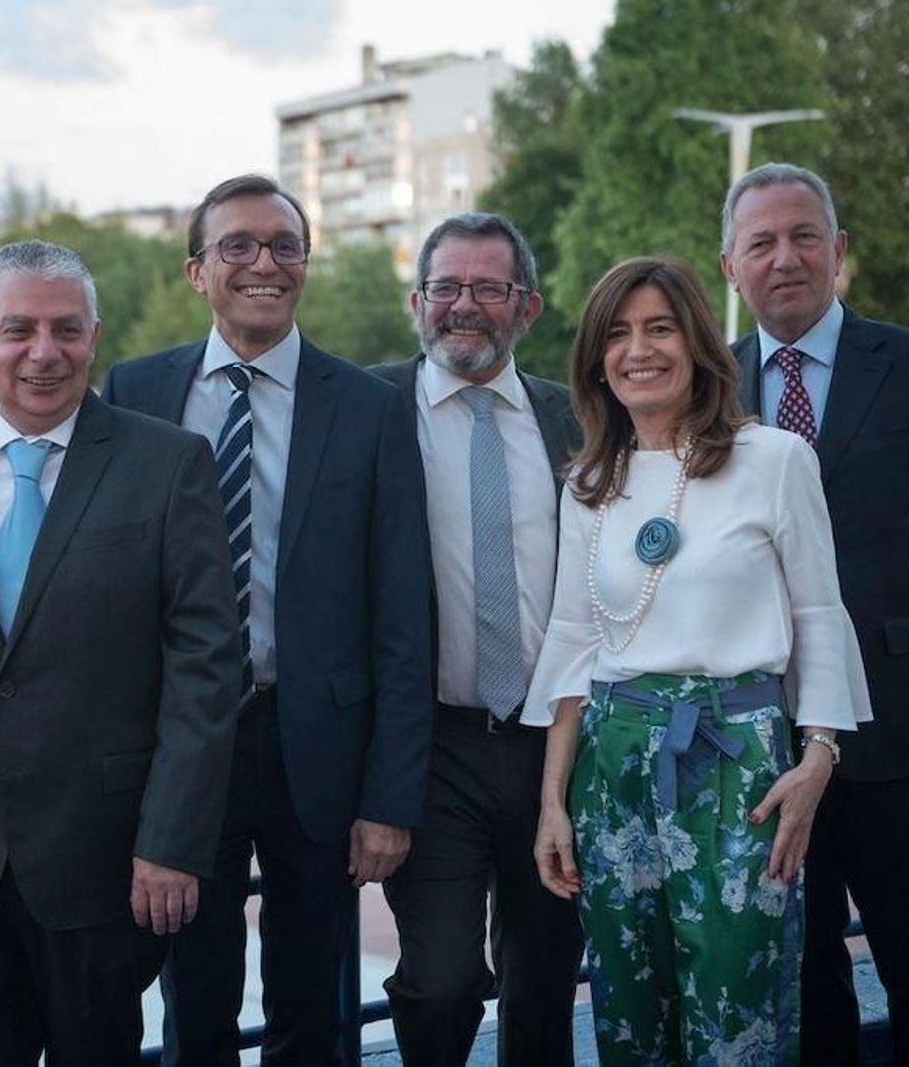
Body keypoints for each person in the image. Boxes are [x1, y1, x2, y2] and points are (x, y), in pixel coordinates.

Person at [0, 240, 241, 1065]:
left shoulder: (169, 463)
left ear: (94, 336)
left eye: (66, 329)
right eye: (17, 329)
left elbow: (206, 668)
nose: (44, 352)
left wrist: (172, 841)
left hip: (104, 873)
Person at [103, 174, 433, 1065]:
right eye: (238, 246)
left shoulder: (369, 407)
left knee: (310, 999)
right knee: (194, 993)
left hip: (318, 745)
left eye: (285, 246)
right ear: (196, 270)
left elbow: (405, 613)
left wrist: (389, 797)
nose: (264, 263)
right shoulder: (135, 391)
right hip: (183, 744)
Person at [530, 256, 873, 1065]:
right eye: (616, 333)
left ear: (698, 343)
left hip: (736, 764)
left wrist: (819, 752)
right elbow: (575, 641)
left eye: (659, 327)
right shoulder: (588, 481)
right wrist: (552, 801)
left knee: (736, 1007)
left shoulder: (776, 459)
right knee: (627, 1002)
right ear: (595, 358)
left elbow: (820, 612)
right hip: (612, 764)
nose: (637, 350)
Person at [720, 162, 909, 1064]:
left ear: (839, 250)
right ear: (731, 266)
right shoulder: (710, 389)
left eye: (804, 236)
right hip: (765, 750)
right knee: (801, 981)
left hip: (906, 742)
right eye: (762, 243)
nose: (786, 258)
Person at [371, 212, 585, 1065]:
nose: (465, 306)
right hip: (431, 748)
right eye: (447, 288)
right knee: (442, 978)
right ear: (417, 301)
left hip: (556, 744)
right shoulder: (364, 412)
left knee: (543, 974)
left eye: (488, 288)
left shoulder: (579, 419)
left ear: (526, 306)